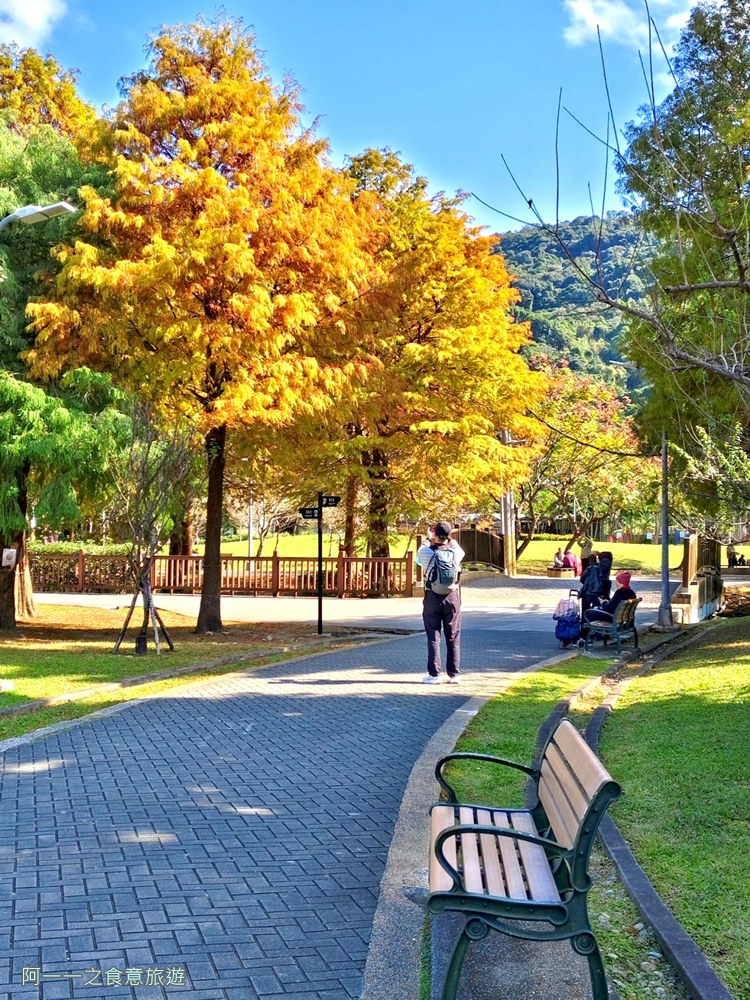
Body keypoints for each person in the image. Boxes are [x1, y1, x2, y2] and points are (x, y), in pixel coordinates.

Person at [417, 521, 465, 684]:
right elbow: (457, 546)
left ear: (435, 534)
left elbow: (420, 550)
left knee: (433, 636)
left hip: (432, 596)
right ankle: (454, 674)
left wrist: (427, 538)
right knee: (453, 635)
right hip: (452, 596)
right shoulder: (456, 553)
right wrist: (450, 539)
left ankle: (434, 675)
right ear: (449, 536)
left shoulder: (426, 553)